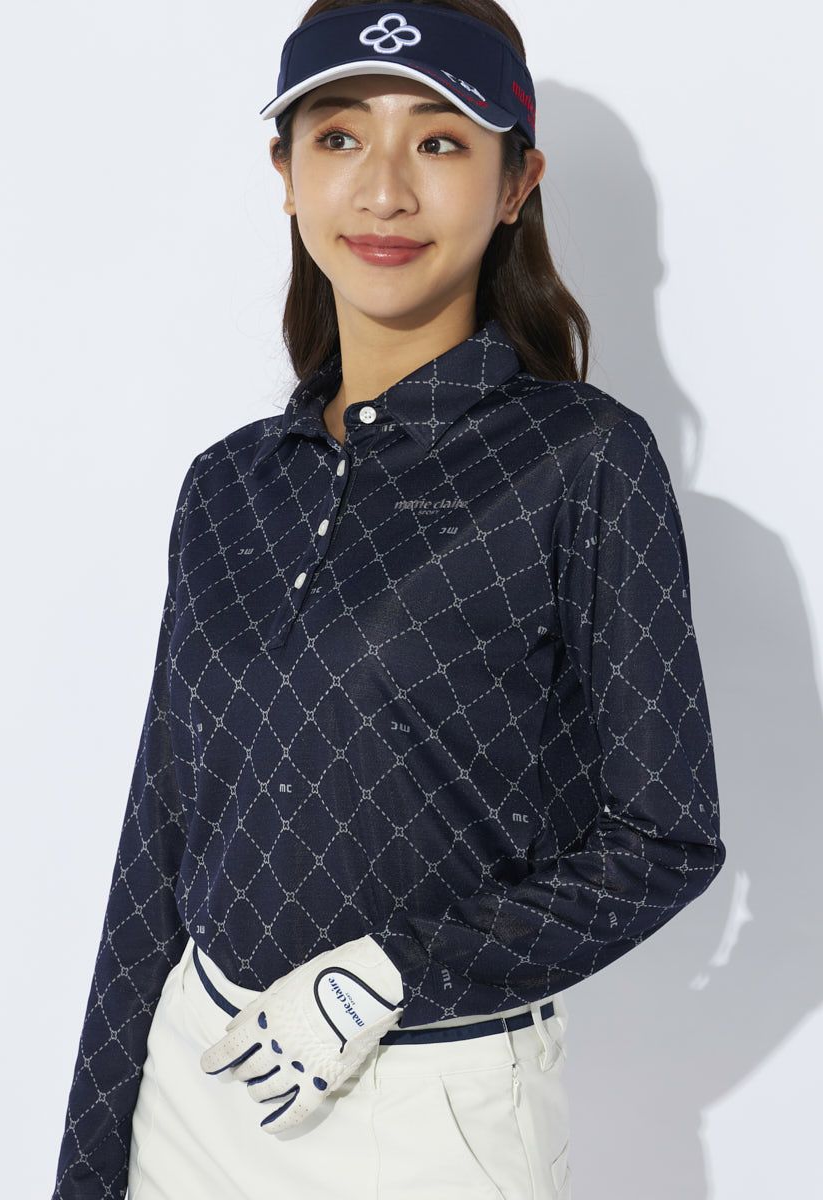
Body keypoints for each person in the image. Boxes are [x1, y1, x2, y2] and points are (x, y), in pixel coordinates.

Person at [50, 2, 727, 1197]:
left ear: (516, 184)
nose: (383, 191)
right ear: (285, 171)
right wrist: (92, 1160)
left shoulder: (582, 461)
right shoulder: (228, 485)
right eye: (339, 136)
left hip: (425, 1116)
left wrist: (395, 971)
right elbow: (161, 827)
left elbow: (664, 838)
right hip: (193, 1082)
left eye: (440, 141)